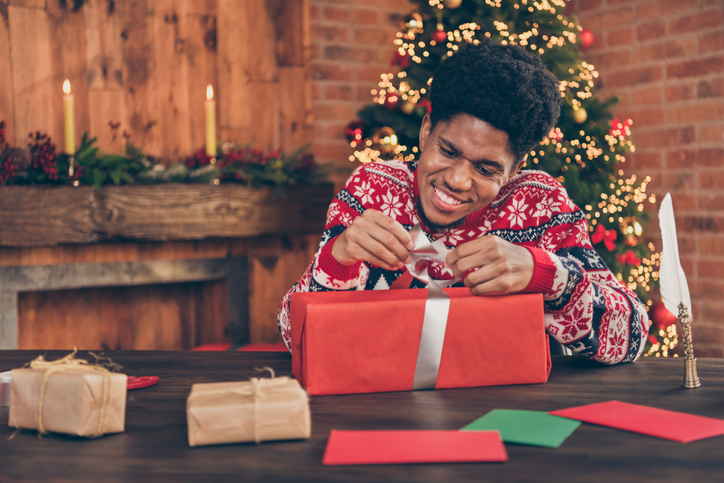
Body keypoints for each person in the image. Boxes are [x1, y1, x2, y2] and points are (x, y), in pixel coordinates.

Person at [278, 41, 649, 364]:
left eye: (486, 168)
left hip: (507, 408)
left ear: (514, 169)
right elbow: (294, 335)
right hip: (386, 403)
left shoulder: (541, 204)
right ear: (426, 131)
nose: (457, 180)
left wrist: (547, 275)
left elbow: (633, 334)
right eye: (448, 151)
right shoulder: (374, 189)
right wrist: (338, 258)